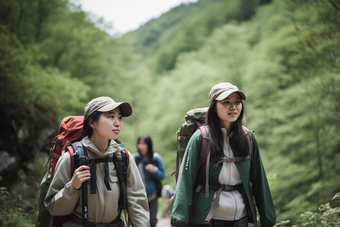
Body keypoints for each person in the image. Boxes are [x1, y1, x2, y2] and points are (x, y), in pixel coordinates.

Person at [171, 83, 276, 227]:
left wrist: (268, 219)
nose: (233, 107)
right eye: (226, 102)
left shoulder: (248, 138)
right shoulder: (201, 137)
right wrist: (179, 220)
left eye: (237, 102)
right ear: (214, 107)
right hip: (207, 217)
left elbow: (260, 180)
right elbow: (185, 180)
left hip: (240, 216)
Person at [44, 96, 150, 227]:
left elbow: (137, 202)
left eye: (120, 117)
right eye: (111, 116)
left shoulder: (123, 157)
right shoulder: (71, 157)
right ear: (92, 122)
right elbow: (54, 208)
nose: (117, 123)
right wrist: (73, 187)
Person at [134, 135, 165, 227]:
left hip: (152, 195)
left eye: (144, 144)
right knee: (140, 222)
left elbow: (162, 176)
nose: (141, 146)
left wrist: (154, 170)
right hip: (138, 196)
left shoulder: (155, 158)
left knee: (152, 221)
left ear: (149, 145)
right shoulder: (135, 159)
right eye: (139, 143)